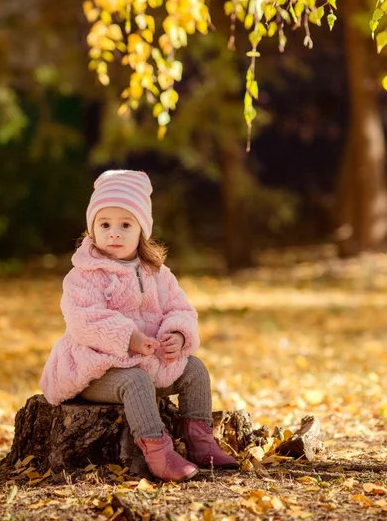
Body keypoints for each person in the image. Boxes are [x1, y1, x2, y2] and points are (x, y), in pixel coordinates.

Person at [40, 169, 238, 481]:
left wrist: (176, 333)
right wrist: (128, 337)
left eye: (125, 225)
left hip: (147, 361)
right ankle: (158, 451)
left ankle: (200, 441)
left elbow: (181, 307)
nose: (114, 233)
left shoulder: (157, 273)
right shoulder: (84, 275)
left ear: (142, 230)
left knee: (195, 370)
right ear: (92, 229)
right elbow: (84, 320)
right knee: (135, 382)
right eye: (104, 225)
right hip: (96, 369)